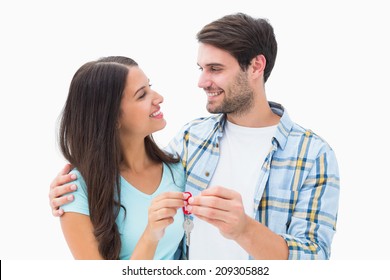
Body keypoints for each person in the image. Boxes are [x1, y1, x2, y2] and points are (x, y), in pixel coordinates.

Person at [50, 13, 340, 260]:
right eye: (201, 69)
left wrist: (244, 229)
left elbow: (314, 257)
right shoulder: (192, 138)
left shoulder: (312, 154)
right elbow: (132, 174)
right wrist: (73, 188)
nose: (202, 81)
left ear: (256, 66)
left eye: (215, 69)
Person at [54, 56, 188, 260]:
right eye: (142, 95)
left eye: (150, 87)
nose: (159, 97)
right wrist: (150, 236)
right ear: (112, 117)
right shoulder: (74, 192)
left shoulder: (179, 168)